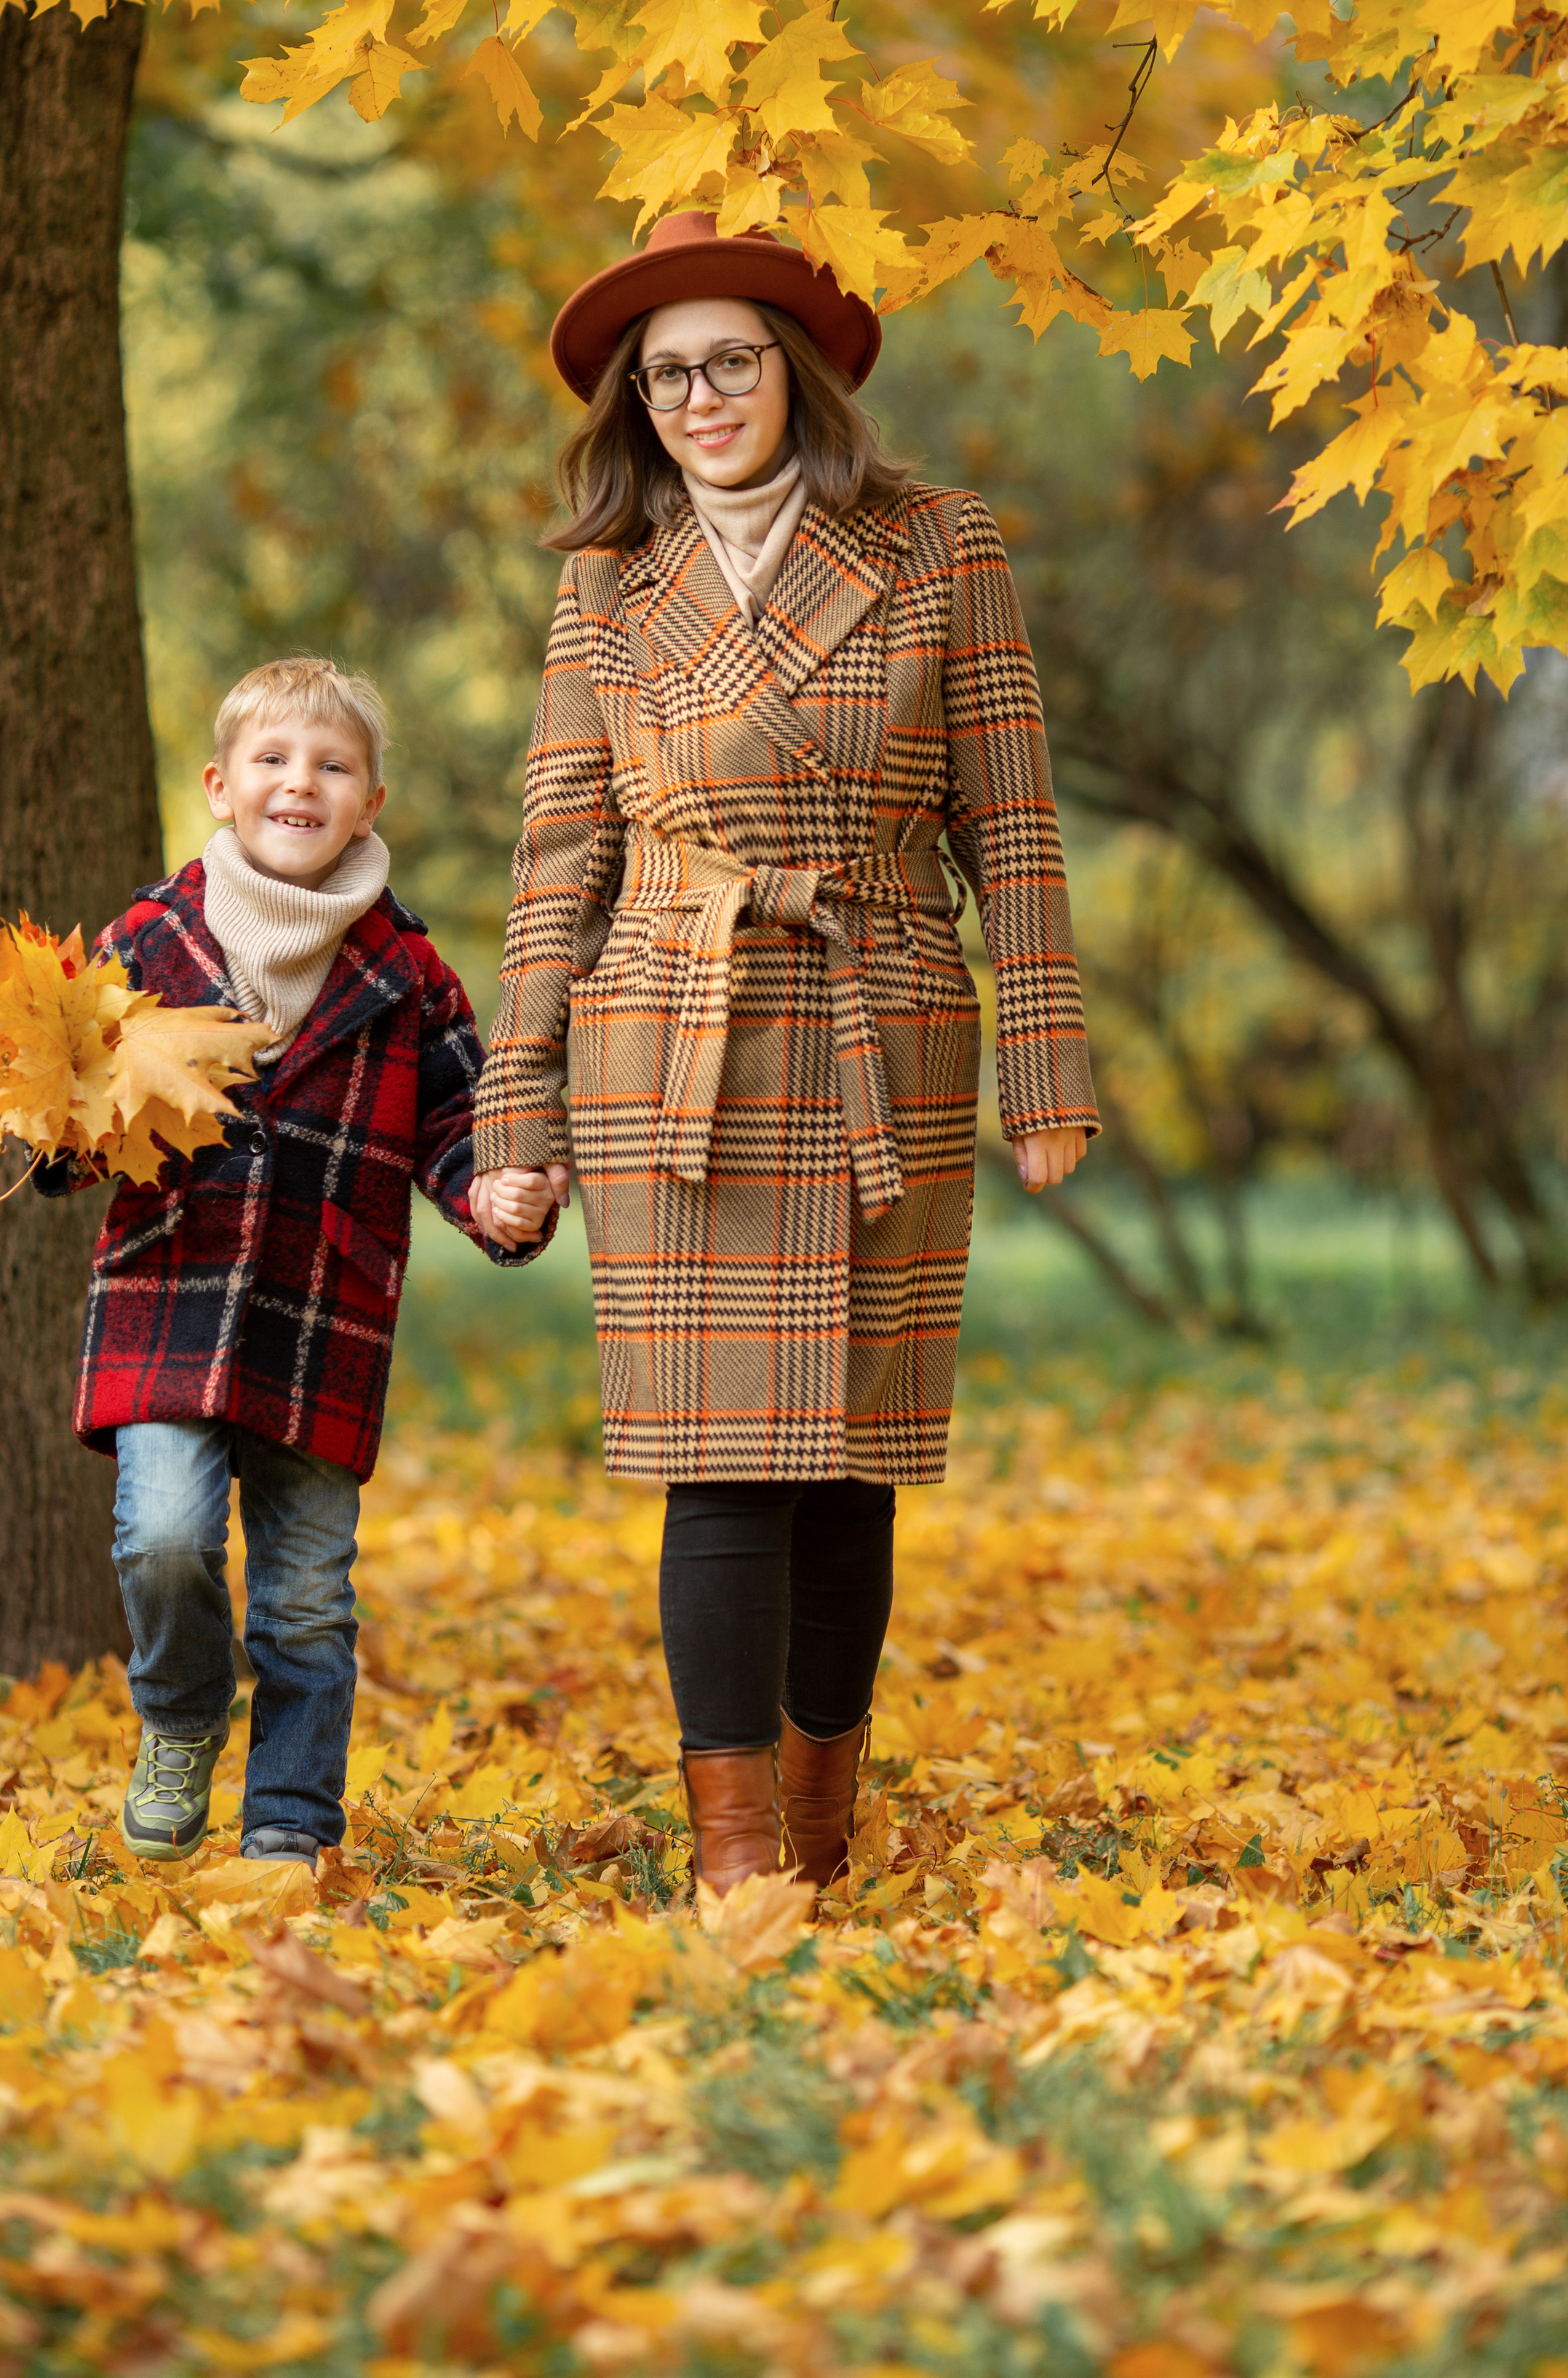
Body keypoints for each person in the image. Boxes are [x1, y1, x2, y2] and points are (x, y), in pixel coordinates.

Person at [472, 212, 1098, 1896]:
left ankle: (824, 1826)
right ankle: (738, 1858)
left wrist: (1044, 1068)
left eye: (725, 361)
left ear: (796, 369)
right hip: (662, 1035)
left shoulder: (939, 543)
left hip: (875, 1019)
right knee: (721, 1461)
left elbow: (1011, 824)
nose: (694, 397)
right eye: (661, 374)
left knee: (852, 1465)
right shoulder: (605, 581)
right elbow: (556, 856)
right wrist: (511, 1100)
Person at [41, 657, 557, 1872]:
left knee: (308, 1594)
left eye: (331, 766)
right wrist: (54, 1126)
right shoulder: (145, 941)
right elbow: (68, 1107)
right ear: (222, 785)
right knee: (164, 1537)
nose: (300, 783)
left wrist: (496, 1189)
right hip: (171, 1292)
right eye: (274, 760)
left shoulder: (409, 971)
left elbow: (454, 1119)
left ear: (370, 802)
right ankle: (177, 1720)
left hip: (326, 1309)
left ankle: (290, 1815)